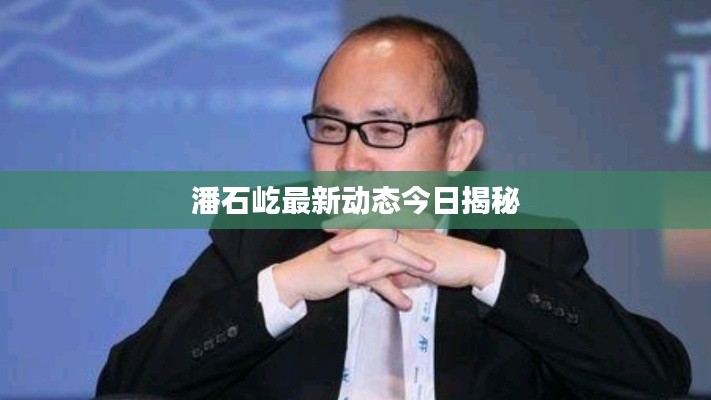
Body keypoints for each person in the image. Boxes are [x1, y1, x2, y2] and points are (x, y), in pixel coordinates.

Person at [95, 16, 691, 400]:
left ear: (458, 147)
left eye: (384, 130)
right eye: (331, 127)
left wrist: (487, 272)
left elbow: (657, 380)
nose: (351, 160)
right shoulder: (260, 239)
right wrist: (287, 286)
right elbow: (126, 385)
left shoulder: (524, 246)